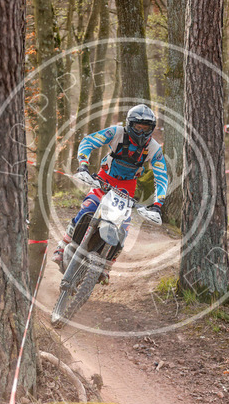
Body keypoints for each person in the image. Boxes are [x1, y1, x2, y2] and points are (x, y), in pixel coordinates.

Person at [52, 104, 169, 280]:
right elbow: (88, 141)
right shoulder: (116, 132)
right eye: (138, 127)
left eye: (146, 128)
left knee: (124, 227)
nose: (142, 132)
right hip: (104, 180)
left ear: (151, 129)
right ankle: (62, 246)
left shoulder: (153, 147)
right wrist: (83, 165)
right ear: (130, 124)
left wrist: (157, 205)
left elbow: (161, 177)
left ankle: (107, 266)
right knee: (88, 207)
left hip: (127, 188)